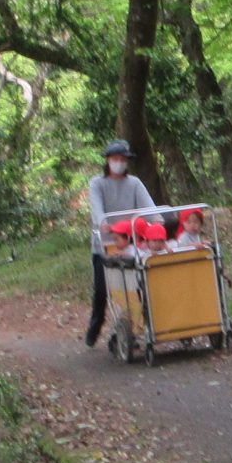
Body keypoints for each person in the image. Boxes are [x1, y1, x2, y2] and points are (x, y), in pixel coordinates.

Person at [85, 139, 156, 348]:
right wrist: (103, 223)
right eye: (115, 159)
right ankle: (96, 325)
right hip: (105, 246)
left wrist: (158, 221)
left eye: (123, 159)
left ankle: (126, 332)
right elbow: (97, 208)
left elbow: (149, 208)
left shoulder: (134, 183)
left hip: (131, 246)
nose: (119, 163)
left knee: (132, 290)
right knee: (103, 290)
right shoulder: (97, 183)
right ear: (108, 160)